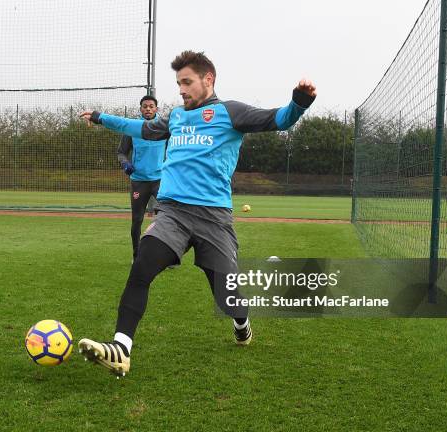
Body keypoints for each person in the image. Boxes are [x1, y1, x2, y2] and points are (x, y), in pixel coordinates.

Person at [78, 50, 317, 377]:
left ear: (208, 80)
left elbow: (278, 119)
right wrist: (101, 117)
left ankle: (241, 322)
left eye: (187, 82)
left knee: (227, 297)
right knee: (142, 265)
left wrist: (299, 102)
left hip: (213, 220)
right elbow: (141, 128)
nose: (181, 89)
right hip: (172, 213)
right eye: (178, 83)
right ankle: (121, 347)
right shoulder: (176, 116)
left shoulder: (230, 112)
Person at [117, 95, 166, 261]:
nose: (148, 109)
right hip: (139, 181)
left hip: (160, 181)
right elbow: (121, 152)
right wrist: (125, 164)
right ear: (140, 109)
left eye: (151, 106)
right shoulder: (133, 128)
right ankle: (137, 255)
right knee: (137, 220)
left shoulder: (165, 128)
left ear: (156, 109)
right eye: (145, 106)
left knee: (167, 218)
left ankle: (166, 256)